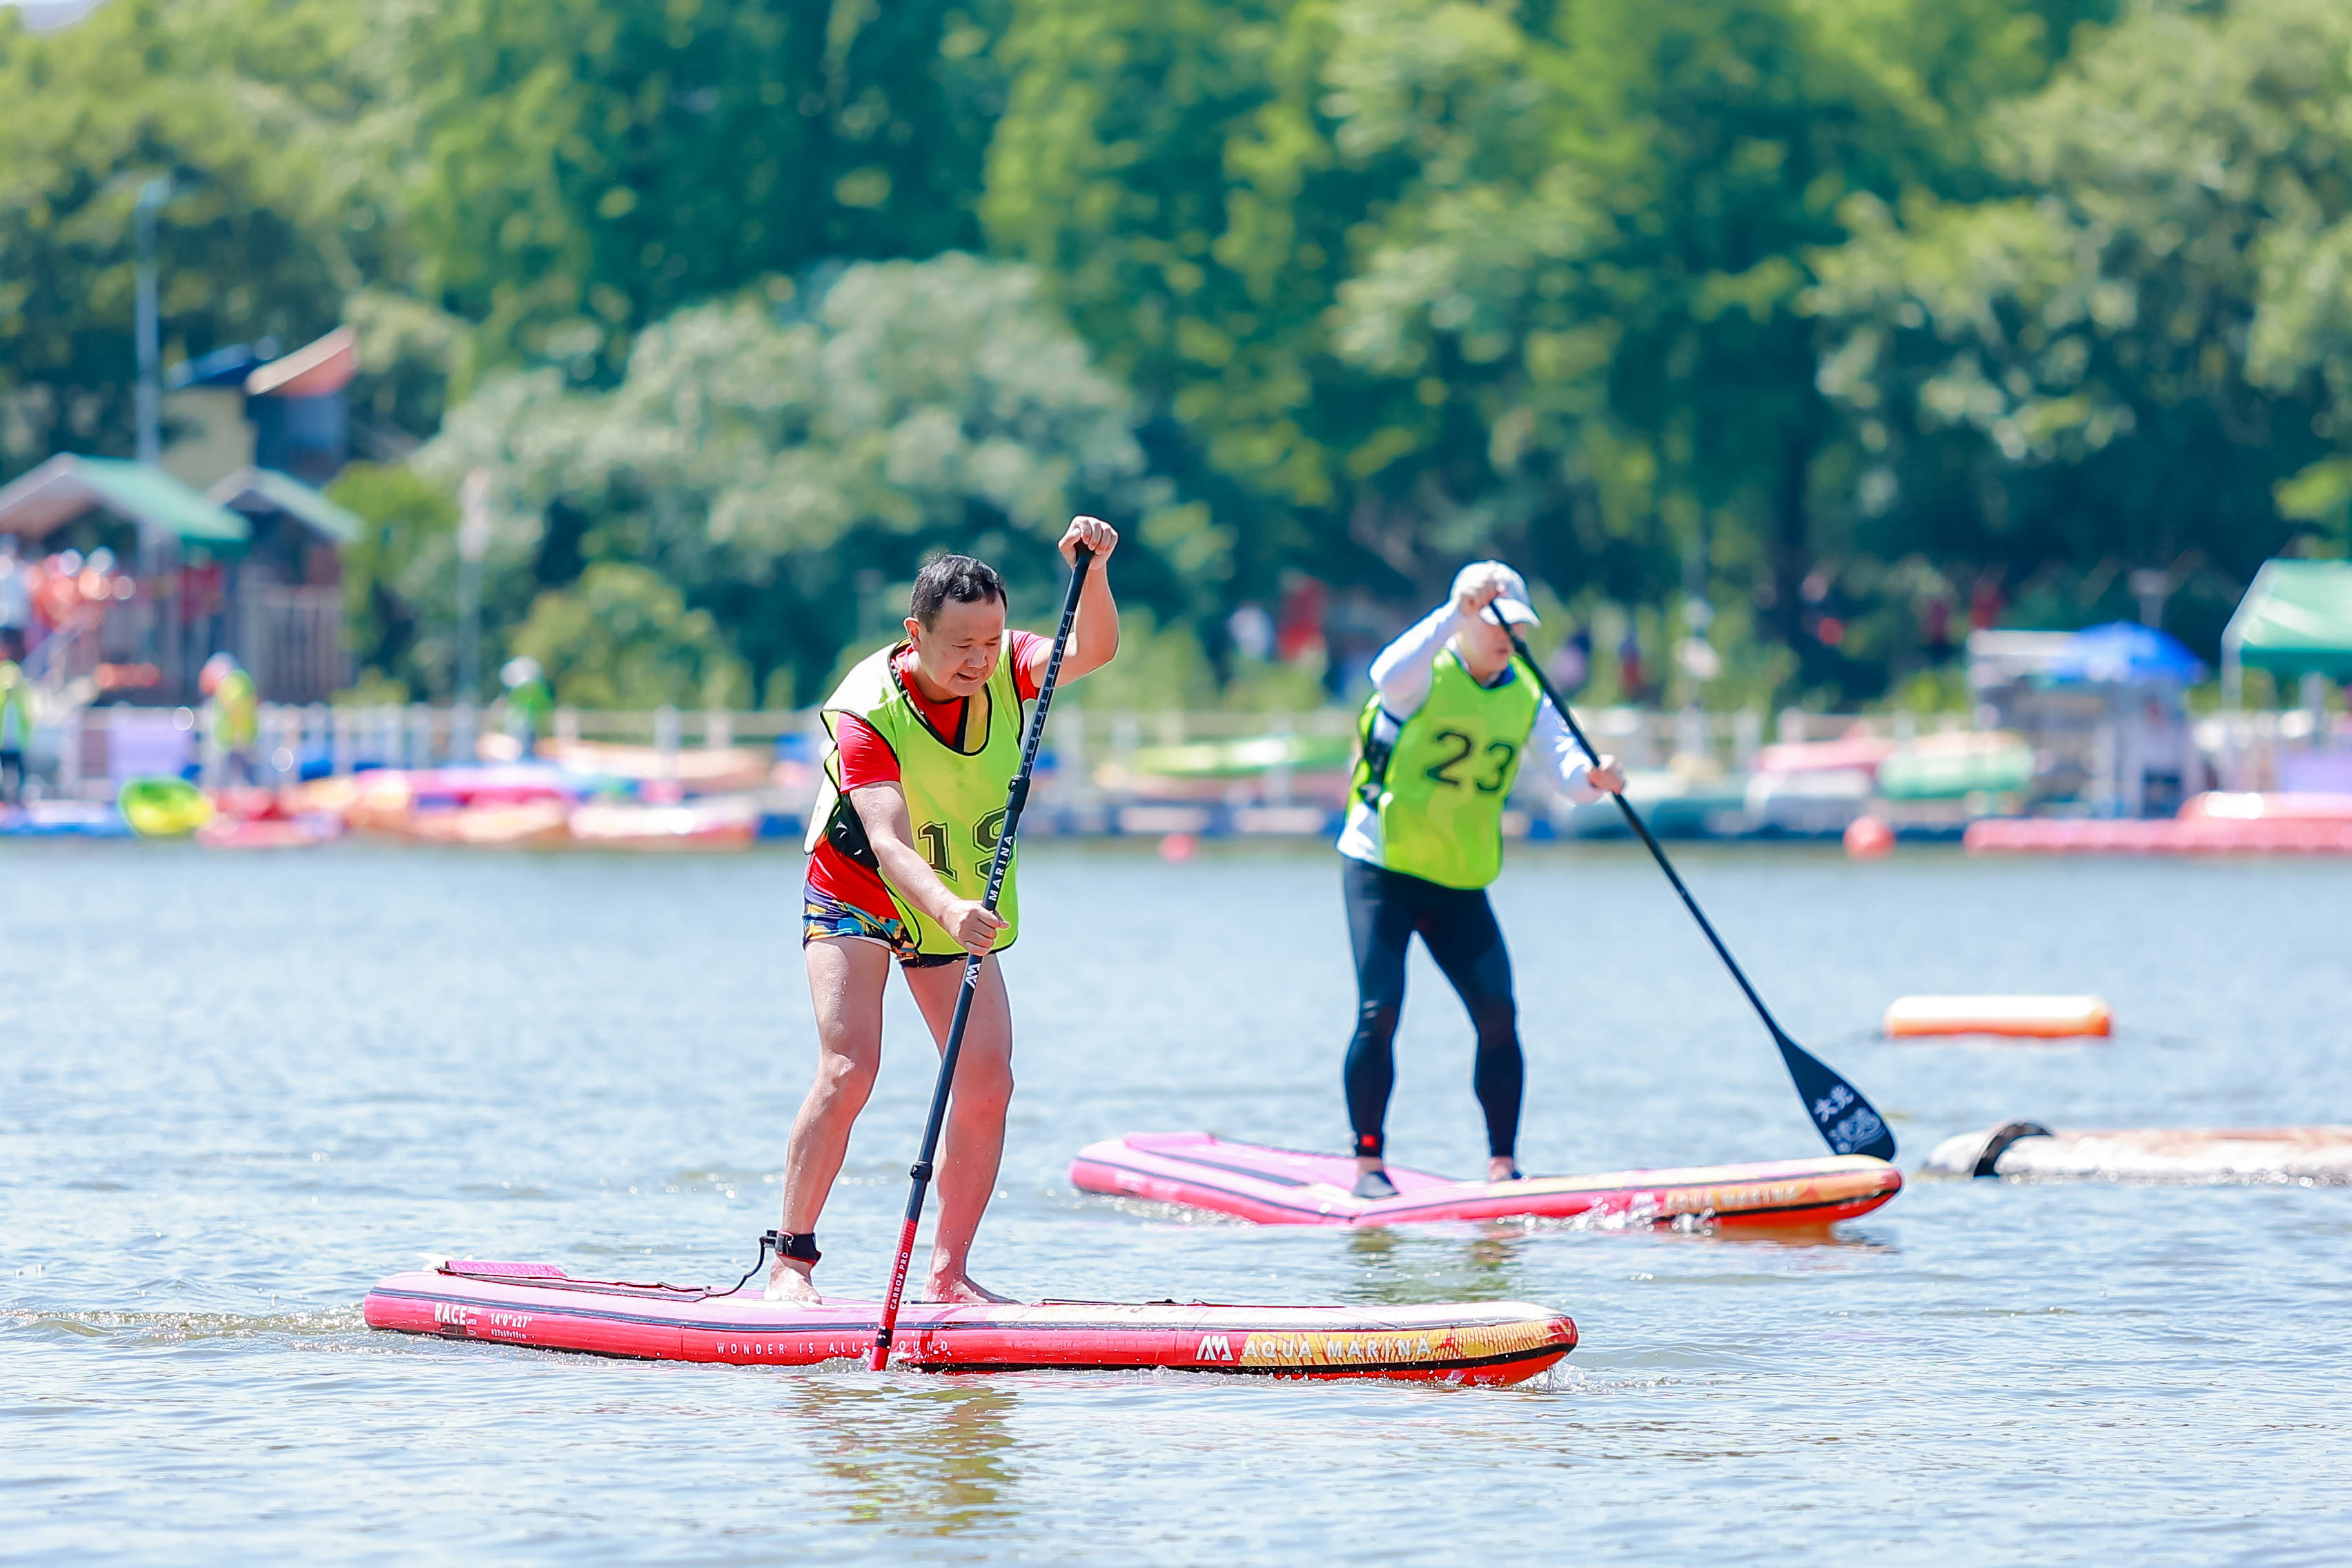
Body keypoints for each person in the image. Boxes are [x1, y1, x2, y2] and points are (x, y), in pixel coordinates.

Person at [767, 518, 1120, 1305]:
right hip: (859, 883)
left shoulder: (1008, 666)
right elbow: (888, 841)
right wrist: (950, 908)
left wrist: (1091, 572)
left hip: (953, 892)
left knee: (988, 1079)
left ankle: (948, 1275)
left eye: (991, 640)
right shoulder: (867, 709)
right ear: (914, 633)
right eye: (960, 642)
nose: (979, 658)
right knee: (851, 1067)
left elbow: (1092, 649)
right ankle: (791, 1263)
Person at [1339, 562, 1626, 1199]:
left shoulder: (1529, 691)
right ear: (1464, 623)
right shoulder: (1423, 678)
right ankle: (1368, 1164)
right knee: (1379, 1010)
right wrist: (1453, 614)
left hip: (1460, 877)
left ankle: (1502, 1166)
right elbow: (1383, 676)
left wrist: (1598, 779)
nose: (1506, 635)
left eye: (1516, 626)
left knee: (1498, 1014)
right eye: (1494, 622)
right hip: (1382, 866)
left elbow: (1570, 774)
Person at [199, 652, 259, 785]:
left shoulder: (231, 684)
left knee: (232, 782)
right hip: (237, 739)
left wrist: (240, 736)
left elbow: (236, 709)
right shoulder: (240, 680)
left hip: (234, 741)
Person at [0, 632, 32, 806]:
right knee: (6, 770)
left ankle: (18, 799)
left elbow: (28, 710)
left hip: (17, 737)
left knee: (18, 771)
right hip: (4, 738)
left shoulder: (16, 676)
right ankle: (5, 800)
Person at [500, 656, 553, 755]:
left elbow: (542, 706)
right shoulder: (524, 689)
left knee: (528, 747)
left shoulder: (533, 689)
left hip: (529, 724)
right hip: (523, 723)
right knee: (522, 747)